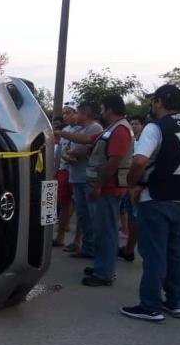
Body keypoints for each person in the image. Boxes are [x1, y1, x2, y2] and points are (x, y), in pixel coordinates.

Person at [121, 85, 180, 322]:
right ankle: (175, 302)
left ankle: (150, 306)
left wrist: (131, 184)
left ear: (158, 102)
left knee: (154, 253)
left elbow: (139, 161)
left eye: (153, 101)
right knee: (175, 251)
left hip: (157, 197)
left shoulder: (155, 127)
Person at [56, 95, 134, 286]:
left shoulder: (120, 130)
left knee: (106, 231)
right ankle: (101, 266)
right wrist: (61, 133)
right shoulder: (112, 128)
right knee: (102, 229)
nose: (100, 112)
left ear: (109, 109)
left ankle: (104, 273)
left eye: (102, 108)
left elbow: (114, 161)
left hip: (108, 188)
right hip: (105, 187)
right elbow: (86, 139)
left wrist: (98, 185)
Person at [64, 103, 103, 257]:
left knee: (93, 216)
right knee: (82, 215)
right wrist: (69, 155)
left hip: (88, 179)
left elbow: (86, 148)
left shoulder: (95, 128)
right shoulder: (77, 130)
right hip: (76, 177)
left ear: (84, 113)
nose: (74, 116)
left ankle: (96, 250)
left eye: (75, 113)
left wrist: (72, 153)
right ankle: (87, 248)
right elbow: (65, 151)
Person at [118, 115, 146, 262]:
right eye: (132, 124)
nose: (133, 126)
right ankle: (129, 248)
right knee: (129, 215)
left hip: (136, 184)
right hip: (128, 182)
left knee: (135, 217)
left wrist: (135, 184)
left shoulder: (144, 141)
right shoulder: (131, 140)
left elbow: (140, 162)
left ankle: (131, 249)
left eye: (136, 124)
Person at [53, 102, 78, 247]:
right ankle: (60, 237)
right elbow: (60, 153)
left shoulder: (83, 130)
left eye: (68, 112)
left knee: (80, 208)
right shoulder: (65, 131)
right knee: (63, 204)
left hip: (77, 172)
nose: (65, 116)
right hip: (63, 171)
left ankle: (77, 241)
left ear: (76, 113)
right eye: (64, 113)